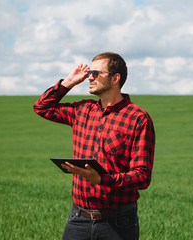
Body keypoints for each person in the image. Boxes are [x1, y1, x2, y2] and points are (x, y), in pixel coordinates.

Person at [33, 52, 155, 240]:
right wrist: (69, 82)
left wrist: (101, 179)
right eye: (90, 72)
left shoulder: (138, 118)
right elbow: (42, 107)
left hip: (119, 223)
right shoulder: (82, 110)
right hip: (78, 219)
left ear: (115, 78)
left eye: (96, 73)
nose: (90, 76)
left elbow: (142, 176)